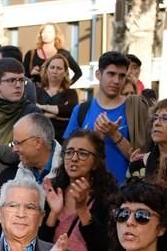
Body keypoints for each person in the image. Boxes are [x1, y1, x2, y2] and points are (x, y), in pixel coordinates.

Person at [41, 129, 119, 251]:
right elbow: (42, 244)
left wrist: (82, 210)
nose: (74, 158)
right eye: (69, 152)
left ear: (96, 162)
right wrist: (53, 214)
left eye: (82, 153)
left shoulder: (107, 197)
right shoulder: (55, 191)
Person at [64, 51, 152, 184]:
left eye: (121, 76)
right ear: (98, 74)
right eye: (111, 74)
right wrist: (96, 138)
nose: (116, 81)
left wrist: (114, 135)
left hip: (126, 191)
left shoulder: (134, 109)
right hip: (88, 191)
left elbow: (141, 159)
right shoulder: (81, 110)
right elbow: (68, 154)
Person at [0, 113, 63, 188]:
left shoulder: (66, 168)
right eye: (13, 143)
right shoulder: (24, 167)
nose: (14, 149)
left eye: (17, 143)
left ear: (38, 143)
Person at [36, 54, 79, 141]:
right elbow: (32, 111)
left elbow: (70, 110)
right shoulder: (36, 91)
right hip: (39, 138)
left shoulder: (70, 93)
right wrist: (57, 115)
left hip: (62, 140)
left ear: (65, 72)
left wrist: (43, 107)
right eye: (52, 67)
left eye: (59, 68)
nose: (55, 71)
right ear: (46, 70)